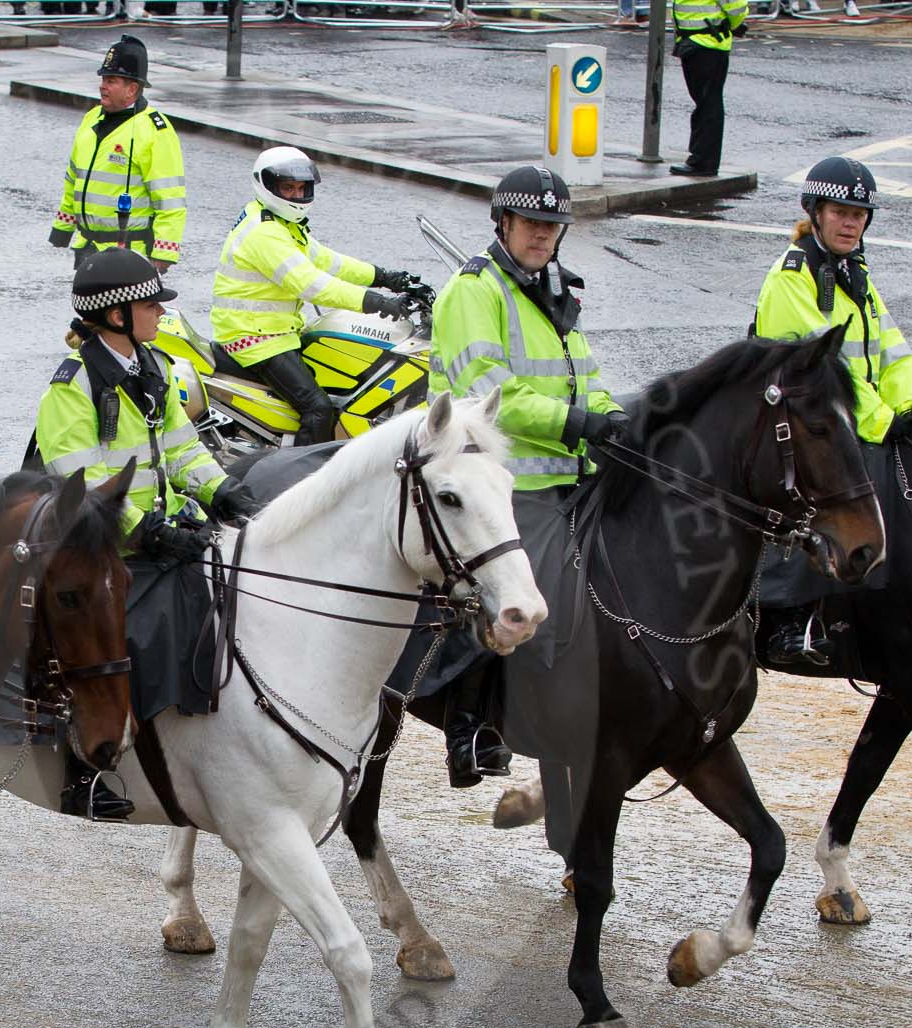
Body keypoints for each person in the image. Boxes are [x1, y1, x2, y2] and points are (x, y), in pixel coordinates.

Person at [427, 164, 625, 786]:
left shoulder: (554, 289)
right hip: (496, 475)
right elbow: (492, 399)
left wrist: (622, 421)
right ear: (504, 222)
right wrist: (578, 423)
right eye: (532, 223)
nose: (543, 235)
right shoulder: (472, 291)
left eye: (553, 226)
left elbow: (584, 377)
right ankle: (471, 722)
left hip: (566, 472)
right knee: (516, 592)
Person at [34, 248, 249, 818]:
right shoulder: (71, 387)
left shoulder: (150, 365)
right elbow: (81, 478)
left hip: (157, 528)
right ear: (114, 315)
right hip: (97, 541)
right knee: (114, 634)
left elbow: (180, 448)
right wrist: (144, 529)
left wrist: (219, 489)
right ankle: (80, 769)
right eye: (149, 303)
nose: (159, 311)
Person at [753, 155, 912, 665]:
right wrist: (882, 423)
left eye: (860, 214)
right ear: (816, 211)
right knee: (830, 481)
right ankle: (782, 616)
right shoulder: (791, 277)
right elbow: (823, 370)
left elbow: (894, 355)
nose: (851, 222)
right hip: (794, 413)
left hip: (847, 415)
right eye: (841, 211)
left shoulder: (856, 276)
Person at [210, 145, 417, 448]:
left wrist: (386, 277)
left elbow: (330, 262)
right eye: (288, 188)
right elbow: (312, 284)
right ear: (266, 186)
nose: (295, 195)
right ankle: (301, 479)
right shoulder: (264, 233)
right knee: (318, 409)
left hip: (276, 331)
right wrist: (374, 302)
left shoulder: (284, 225)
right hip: (255, 339)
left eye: (300, 188)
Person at [47, 34, 183, 270]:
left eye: (111, 80)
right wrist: (62, 228)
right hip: (88, 249)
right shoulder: (92, 118)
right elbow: (73, 180)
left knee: (125, 309)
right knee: (93, 308)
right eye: (103, 79)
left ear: (132, 89)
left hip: (131, 252)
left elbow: (169, 200)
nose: (102, 86)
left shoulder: (154, 130)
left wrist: (163, 253)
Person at [669, 0, 747, 177]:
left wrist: (733, 24)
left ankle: (703, 163)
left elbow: (736, 6)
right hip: (696, 42)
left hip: (708, 43)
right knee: (705, 104)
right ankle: (701, 160)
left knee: (708, 105)